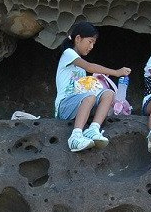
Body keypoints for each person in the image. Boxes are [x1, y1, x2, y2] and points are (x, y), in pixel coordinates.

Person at [53, 21, 131, 152]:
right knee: (89, 97)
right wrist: (117, 72)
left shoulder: (79, 66)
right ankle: (75, 136)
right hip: (64, 106)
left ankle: (93, 129)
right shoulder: (68, 53)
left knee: (108, 93)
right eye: (90, 41)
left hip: (80, 104)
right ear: (78, 39)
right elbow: (90, 67)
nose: (92, 46)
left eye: (94, 43)